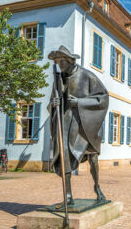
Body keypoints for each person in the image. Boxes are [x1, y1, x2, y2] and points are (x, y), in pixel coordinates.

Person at [48, 46, 108, 204]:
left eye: (62, 61)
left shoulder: (87, 76)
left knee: (92, 156)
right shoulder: (58, 79)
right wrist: (54, 104)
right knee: (64, 155)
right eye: (57, 61)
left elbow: (103, 98)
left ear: (69, 61)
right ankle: (68, 195)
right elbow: (53, 100)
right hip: (67, 124)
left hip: (86, 124)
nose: (59, 64)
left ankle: (97, 187)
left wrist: (79, 102)